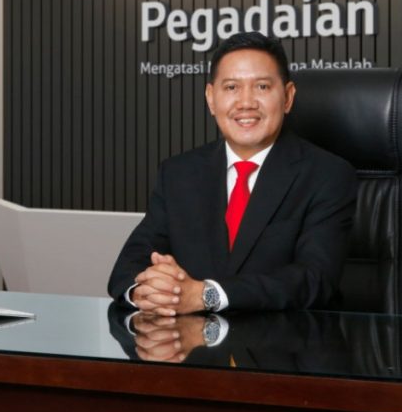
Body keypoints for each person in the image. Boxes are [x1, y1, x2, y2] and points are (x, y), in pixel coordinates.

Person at [107, 32, 357, 314]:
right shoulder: (178, 174)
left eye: (262, 86)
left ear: (288, 97)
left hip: (282, 338)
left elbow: (315, 279)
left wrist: (207, 295)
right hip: (188, 338)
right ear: (211, 99)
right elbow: (129, 266)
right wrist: (147, 291)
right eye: (231, 87)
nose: (246, 102)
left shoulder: (327, 175)